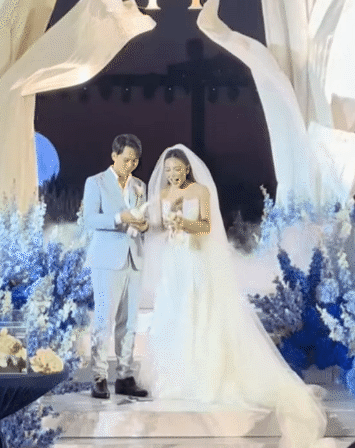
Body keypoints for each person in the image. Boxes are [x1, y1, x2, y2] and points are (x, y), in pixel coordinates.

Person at [142, 144, 335, 448]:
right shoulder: (165, 194)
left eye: (177, 169)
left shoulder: (200, 192)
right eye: (168, 170)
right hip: (174, 262)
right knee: (174, 314)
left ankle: (204, 376)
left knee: (199, 312)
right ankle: (175, 377)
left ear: (187, 169)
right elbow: (158, 226)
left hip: (195, 260)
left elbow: (206, 226)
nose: (172, 174)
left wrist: (185, 223)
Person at [83, 134, 149, 399]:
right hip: (107, 260)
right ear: (114, 155)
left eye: (135, 161)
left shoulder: (139, 185)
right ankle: (99, 376)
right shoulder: (96, 182)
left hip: (134, 257)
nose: (130, 165)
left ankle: (125, 375)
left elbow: (144, 218)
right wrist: (119, 217)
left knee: (130, 321)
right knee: (104, 319)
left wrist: (144, 224)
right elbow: (90, 219)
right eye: (126, 160)